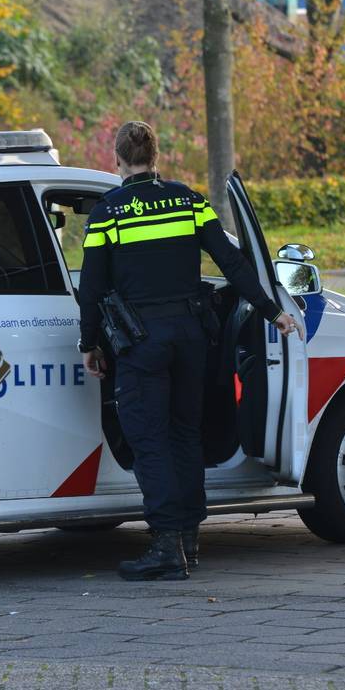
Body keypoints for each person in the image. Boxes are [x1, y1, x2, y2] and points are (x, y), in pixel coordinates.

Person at [78, 121, 302, 581]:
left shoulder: (109, 213)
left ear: (116, 160)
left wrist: (90, 344)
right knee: (185, 434)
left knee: (148, 441)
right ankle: (189, 540)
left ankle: (164, 546)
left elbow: (92, 286)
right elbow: (233, 263)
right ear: (156, 157)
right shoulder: (189, 201)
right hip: (191, 336)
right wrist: (271, 310)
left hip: (142, 342)